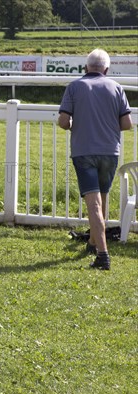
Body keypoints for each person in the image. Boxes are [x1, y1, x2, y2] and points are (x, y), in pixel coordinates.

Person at [58, 48, 133, 271]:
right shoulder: (116, 87)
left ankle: (103, 254)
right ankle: (93, 242)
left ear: (85, 67)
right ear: (107, 69)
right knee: (103, 198)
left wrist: (74, 125)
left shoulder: (75, 86)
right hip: (110, 151)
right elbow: (127, 124)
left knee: (93, 204)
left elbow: (63, 121)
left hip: (84, 152)